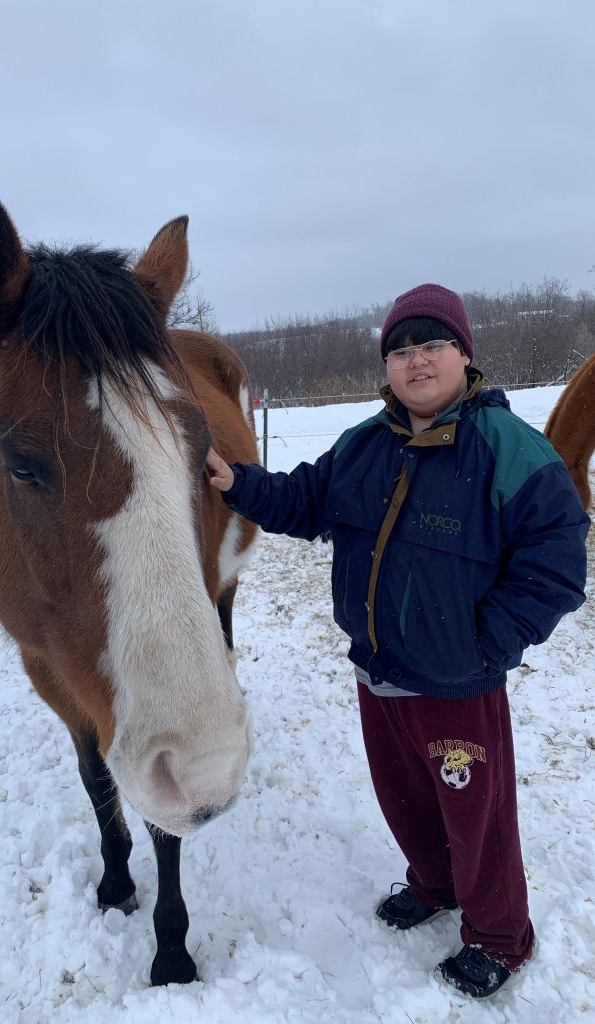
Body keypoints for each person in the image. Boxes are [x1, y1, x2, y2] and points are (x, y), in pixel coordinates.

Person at [206, 283, 590, 999]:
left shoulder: (510, 450)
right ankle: (434, 885)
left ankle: (500, 937)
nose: (417, 362)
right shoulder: (363, 448)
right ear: (387, 366)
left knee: (478, 817)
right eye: (402, 350)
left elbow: (560, 563)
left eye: (432, 345)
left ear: (464, 353)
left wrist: (488, 644)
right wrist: (238, 483)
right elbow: (302, 498)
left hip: (457, 684)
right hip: (378, 672)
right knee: (405, 799)